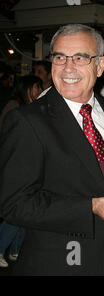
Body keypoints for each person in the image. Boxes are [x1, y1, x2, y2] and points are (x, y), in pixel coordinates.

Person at [0, 24, 104, 275]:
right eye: (60, 57)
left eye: (81, 58)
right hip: (58, 266)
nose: (68, 67)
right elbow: (13, 204)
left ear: (100, 64)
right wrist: (90, 207)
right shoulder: (27, 121)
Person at [0, 75, 43, 268]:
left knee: (25, 215)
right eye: (36, 87)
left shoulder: (33, 110)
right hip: (17, 165)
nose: (39, 91)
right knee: (16, 213)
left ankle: (16, 249)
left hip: (29, 166)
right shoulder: (15, 109)